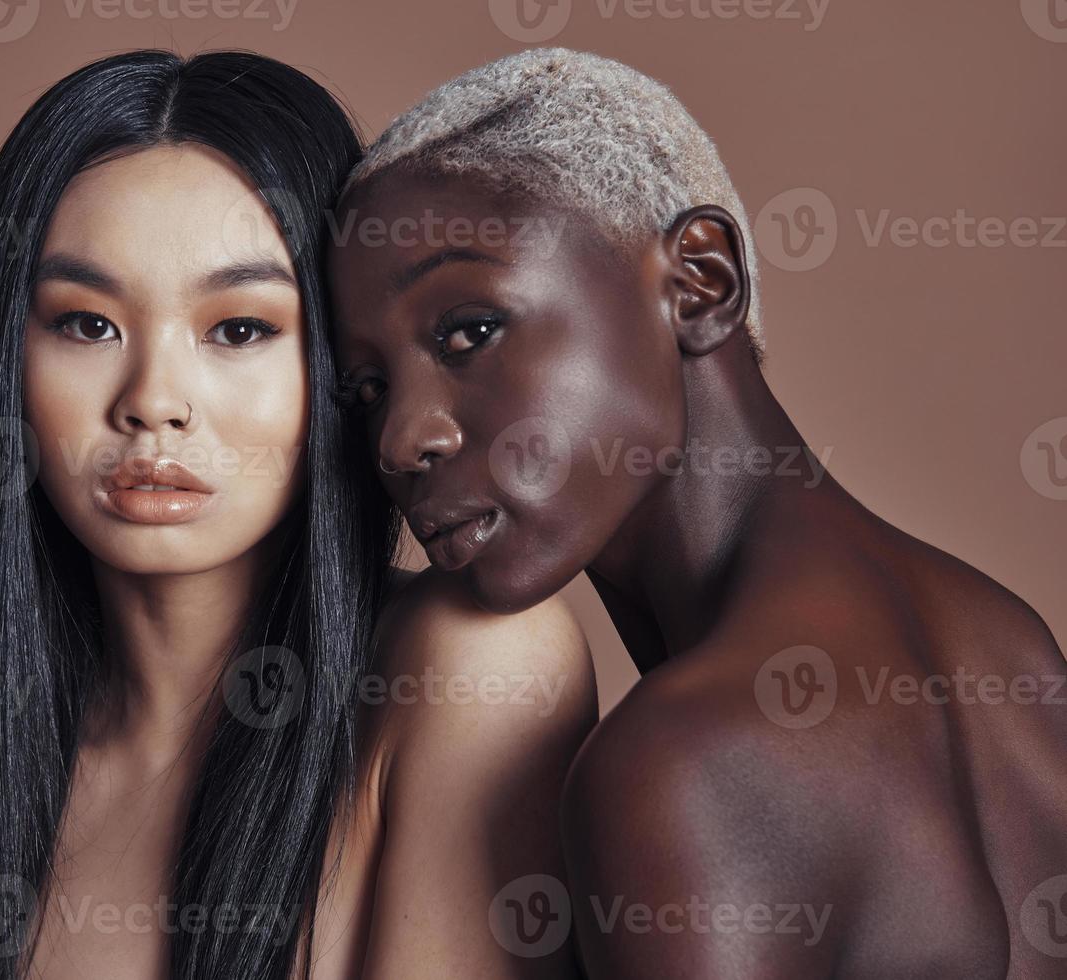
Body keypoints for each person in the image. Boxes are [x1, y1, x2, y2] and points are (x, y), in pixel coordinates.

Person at [0, 49, 594, 980]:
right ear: (6, 366)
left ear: (339, 363)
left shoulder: (471, 672)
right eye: (85, 323)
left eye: (239, 328)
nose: (154, 400)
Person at [329, 47, 1067, 979]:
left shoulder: (683, 767)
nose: (402, 438)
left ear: (698, 281)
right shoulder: (1008, 645)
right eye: (363, 390)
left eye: (468, 331)